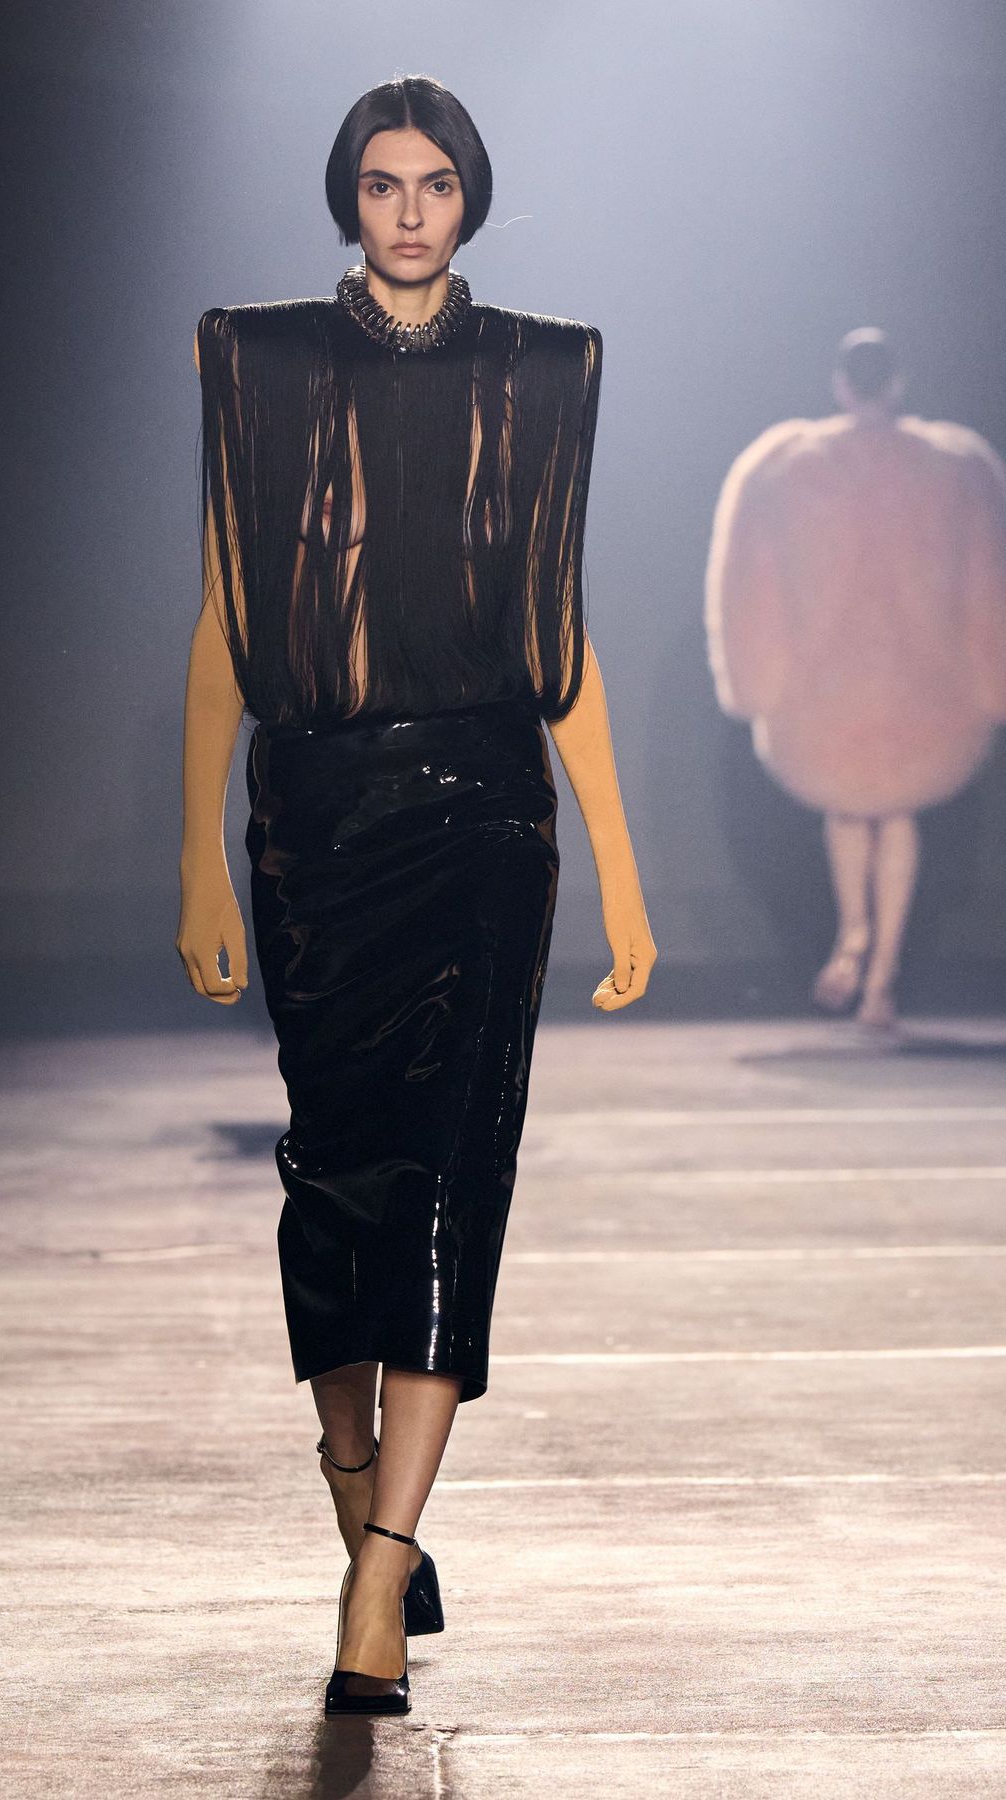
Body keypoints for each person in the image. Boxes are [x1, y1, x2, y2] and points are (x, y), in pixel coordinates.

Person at [177, 74, 656, 1717]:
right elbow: (227, 612)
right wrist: (196, 854)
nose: (407, 210)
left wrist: (624, 869)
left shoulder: (539, 371)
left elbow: (558, 630)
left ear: (470, 198)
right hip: (315, 817)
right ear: (349, 197)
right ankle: (350, 1475)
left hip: (485, 819)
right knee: (335, 1174)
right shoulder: (261, 363)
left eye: (434, 183)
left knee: (456, 1171)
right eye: (381, 183)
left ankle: (379, 1573)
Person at [705, 328, 1006, 1030]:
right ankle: (881, 978)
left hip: (826, 680)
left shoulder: (786, 463)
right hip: (921, 678)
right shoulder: (954, 464)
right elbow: (987, 582)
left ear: (841, 385)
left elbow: (748, 578)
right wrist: (988, 679)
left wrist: (756, 679)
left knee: (847, 807)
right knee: (896, 811)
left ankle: (854, 934)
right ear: (897, 384)